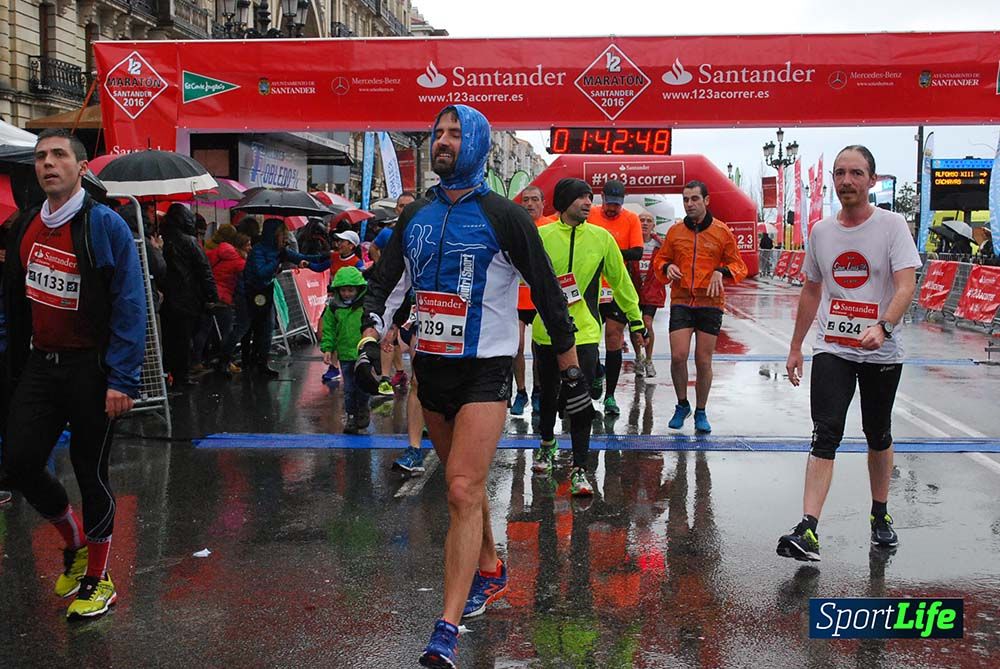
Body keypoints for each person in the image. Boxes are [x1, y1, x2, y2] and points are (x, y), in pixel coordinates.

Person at [362, 105, 580, 668]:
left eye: (456, 134)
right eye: (438, 132)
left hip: (486, 369)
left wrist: (571, 366)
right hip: (432, 370)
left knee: (460, 488)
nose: (443, 141)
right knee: (467, 483)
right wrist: (370, 340)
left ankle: (445, 631)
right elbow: (386, 286)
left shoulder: (505, 216)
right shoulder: (415, 216)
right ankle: (491, 569)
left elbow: (548, 292)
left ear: (478, 143)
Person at [2, 128, 146, 619]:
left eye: (59, 155)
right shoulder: (24, 226)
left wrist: (122, 379)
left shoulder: (104, 225)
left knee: (91, 472)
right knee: (19, 462)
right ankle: (75, 543)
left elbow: (130, 303)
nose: (47, 163)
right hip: (42, 364)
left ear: (80, 167)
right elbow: (17, 306)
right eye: (41, 156)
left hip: (93, 368)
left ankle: (98, 579)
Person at [778, 145, 920, 562]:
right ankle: (808, 529)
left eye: (856, 173)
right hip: (833, 346)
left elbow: (906, 284)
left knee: (878, 433)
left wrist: (884, 325)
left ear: (872, 180)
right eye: (839, 173)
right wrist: (795, 347)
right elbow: (810, 289)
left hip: (881, 349)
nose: (846, 181)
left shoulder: (892, 226)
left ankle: (880, 515)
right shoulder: (822, 232)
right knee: (825, 433)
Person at [531, 178, 646, 495]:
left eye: (589, 197)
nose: (588, 202)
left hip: (584, 333)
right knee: (550, 396)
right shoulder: (541, 236)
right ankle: (547, 442)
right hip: (546, 333)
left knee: (580, 402)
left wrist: (636, 321)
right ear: (564, 201)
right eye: (581, 197)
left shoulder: (601, 238)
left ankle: (580, 469)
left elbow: (621, 282)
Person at [653, 180, 747, 434]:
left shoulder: (721, 231)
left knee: (703, 360)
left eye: (694, 199)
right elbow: (661, 259)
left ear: (706, 201)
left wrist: (721, 271)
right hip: (682, 300)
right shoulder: (675, 232)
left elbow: (739, 265)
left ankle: (701, 411)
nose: (689, 204)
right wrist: (666, 267)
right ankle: (682, 404)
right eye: (685, 199)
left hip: (710, 302)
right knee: (678, 355)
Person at [587, 179, 644, 416]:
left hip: (617, 286)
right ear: (601, 198)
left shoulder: (631, 219)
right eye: (609, 204)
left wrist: (609, 253)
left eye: (617, 205)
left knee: (613, 337)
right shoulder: (589, 214)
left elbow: (637, 252)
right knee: (587, 340)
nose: (612, 209)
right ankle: (596, 373)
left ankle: (610, 395)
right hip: (591, 286)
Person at [242, 218, 326, 377]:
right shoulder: (258, 251)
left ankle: (261, 363)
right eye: (282, 234)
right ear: (274, 235)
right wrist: (276, 262)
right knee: (252, 328)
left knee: (266, 328)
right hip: (252, 293)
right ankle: (248, 362)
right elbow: (261, 272)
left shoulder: (278, 251)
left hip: (266, 292)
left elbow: (301, 257)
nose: (285, 238)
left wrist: (326, 257)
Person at [159, 203, 219, 387]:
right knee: (184, 339)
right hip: (188, 297)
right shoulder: (190, 242)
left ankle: (169, 373)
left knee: (169, 338)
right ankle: (181, 376)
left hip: (167, 297)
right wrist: (212, 296)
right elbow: (204, 270)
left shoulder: (162, 239)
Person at [510, 184, 549, 416]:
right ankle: (521, 392)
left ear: (543, 203)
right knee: (517, 346)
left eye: (535, 199)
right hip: (517, 298)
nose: (530, 204)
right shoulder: (514, 227)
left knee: (539, 349)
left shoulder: (551, 227)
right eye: (525, 200)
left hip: (540, 298)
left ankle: (538, 391)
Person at [321, 267, 373, 434]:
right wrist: (328, 348)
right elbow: (329, 328)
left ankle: (363, 409)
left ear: (358, 289)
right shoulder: (334, 307)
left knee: (363, 386)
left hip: (363, 353)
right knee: (349, 388)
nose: (347, 294)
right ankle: (351, 415)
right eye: (343, 290)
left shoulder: (366, 306)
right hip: (345, 354)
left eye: (351, 290)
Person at [634, 209, 665, 378]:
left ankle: (649, 359)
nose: (645, 223)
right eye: (642, 220)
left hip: (651, 291)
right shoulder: (632, 243)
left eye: (648, 220)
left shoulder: (660, 245)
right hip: (634, 290)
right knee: (635, 326)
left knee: (647, 323)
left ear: (654, 225)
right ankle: (638, 357)